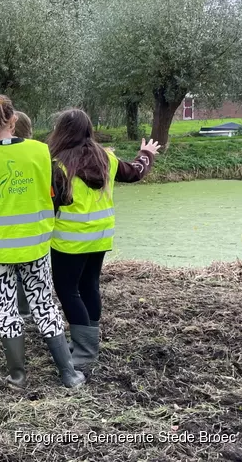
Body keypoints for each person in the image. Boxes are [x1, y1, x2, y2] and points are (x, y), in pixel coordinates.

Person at [0, 95, 85, 389]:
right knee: (44, 304)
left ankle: (17, 375)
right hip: (34, 246)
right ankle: (67, 373)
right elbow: (55, 193)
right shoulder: (41, 152)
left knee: (5, 307)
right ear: (14, 120)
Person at [48, 109, 160, 370]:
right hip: (100, 236)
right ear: (88, 131)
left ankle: (85, 351)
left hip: (69, 240)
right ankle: (89, 341)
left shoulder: (57, 165)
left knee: (67, 290)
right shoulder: (106, 158)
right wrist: (147, 154)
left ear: (62, 132)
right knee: (89, 285)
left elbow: (51, 203)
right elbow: (135, 172)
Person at [12, 110, 33, 320]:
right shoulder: (39, 153)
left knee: (15, 269)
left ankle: (22, 309)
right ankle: (28, 308)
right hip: (36, 223)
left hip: (8, 223)